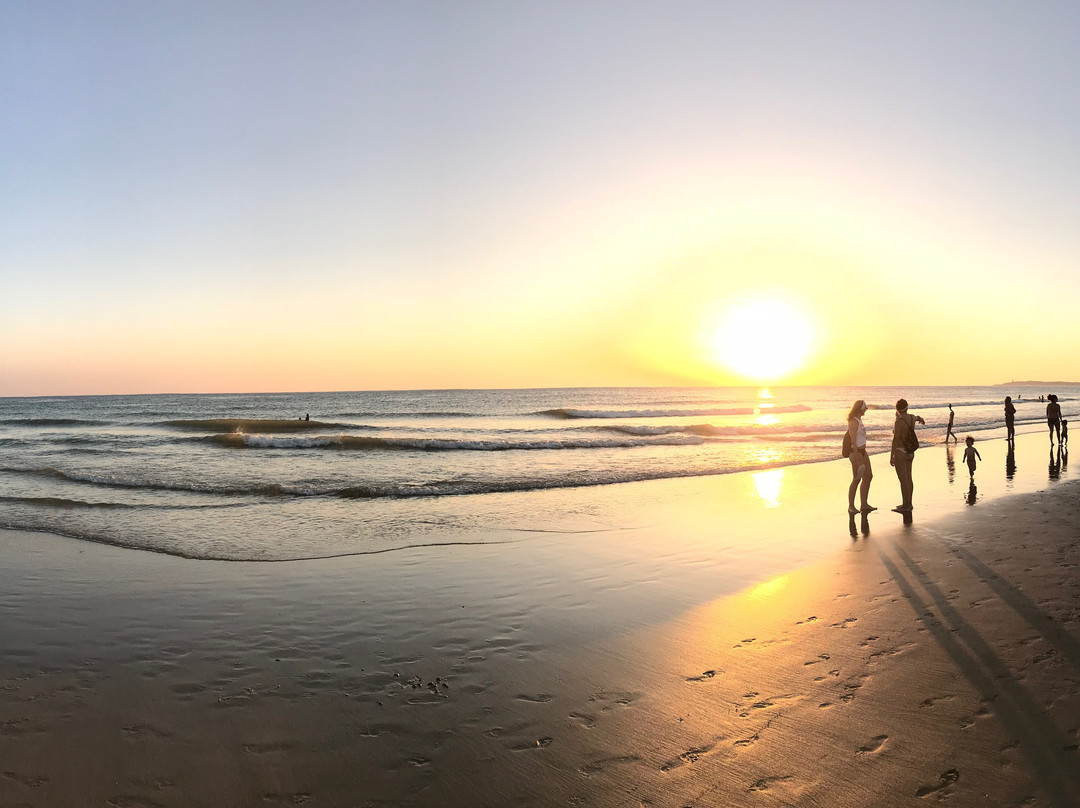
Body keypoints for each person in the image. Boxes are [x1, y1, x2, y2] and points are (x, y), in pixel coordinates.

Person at [890, 398, 925, 513]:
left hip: (900, 452)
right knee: (909, 478)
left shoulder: (899, 422)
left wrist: (892, 455)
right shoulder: (911, 417)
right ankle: (909, 503)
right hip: (910, 452)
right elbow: (918, 418)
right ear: (907, 407)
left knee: (903, 480)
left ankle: (905, 505)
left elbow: (895, 440)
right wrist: (921, 420)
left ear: (897, 409)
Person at [846, 400, 875, 514]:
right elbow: (853, 440)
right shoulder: (853, 421)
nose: (866, 409)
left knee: (868, 476)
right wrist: (858, 456)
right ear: (860, 408)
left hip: (863, 451)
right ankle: (851, 506)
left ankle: (864, 504)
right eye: (865, 408)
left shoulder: (859, 420)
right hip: (855, 452)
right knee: (856, 479)